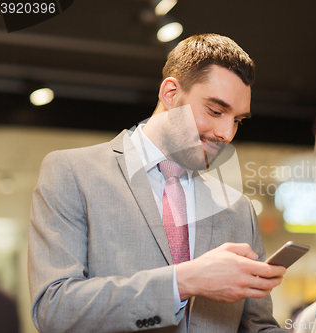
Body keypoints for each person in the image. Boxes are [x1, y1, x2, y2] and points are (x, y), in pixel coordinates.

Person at [28, 33, 287, 333]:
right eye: (215, 111)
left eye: (238, 120)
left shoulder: (238, 210)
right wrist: (186, 281)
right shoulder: (73, 173)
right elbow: (54, 308)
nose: (226, 133)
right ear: (170, 93)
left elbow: (257, 326)